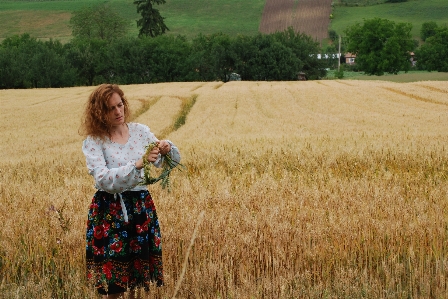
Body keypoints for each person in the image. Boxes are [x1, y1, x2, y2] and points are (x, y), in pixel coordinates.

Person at [80, 84, 180, 298]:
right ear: (99, 113)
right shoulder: (94, 141)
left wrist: (166, 148)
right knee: (114, 285)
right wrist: (137, 165)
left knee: (136, 279)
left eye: (120, 105)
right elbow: (104, 180)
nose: (118, 111)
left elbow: (165, 163)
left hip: (140, 208)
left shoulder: (140, 131)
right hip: (110, 211)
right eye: (110, 108)